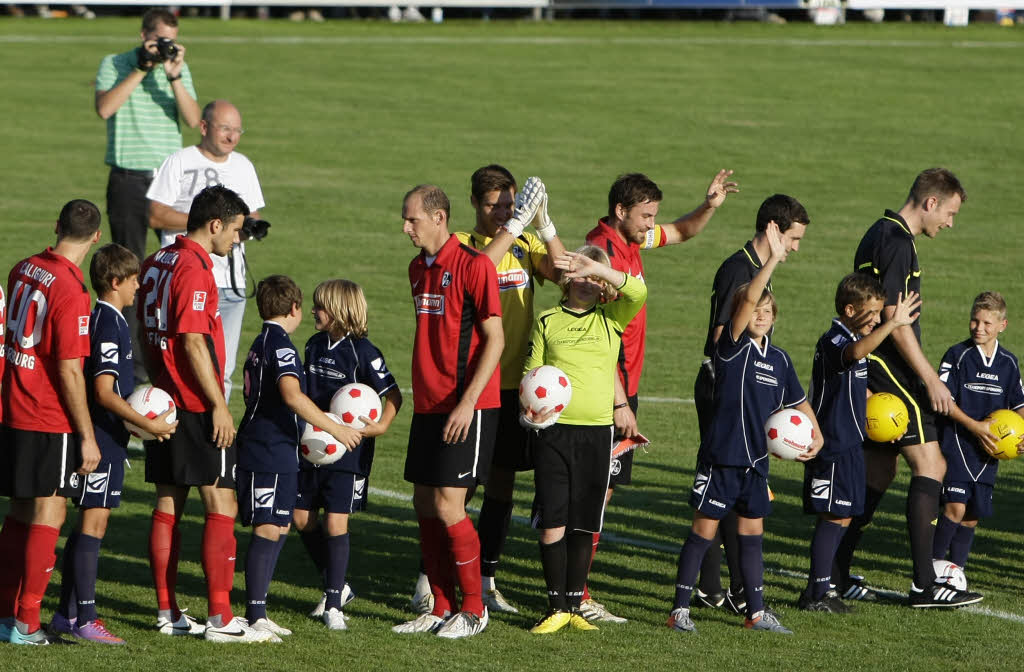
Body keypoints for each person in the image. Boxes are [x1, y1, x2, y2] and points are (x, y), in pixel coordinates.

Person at [582, 170, 738, 622]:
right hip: (608, 388)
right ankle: (578, 592)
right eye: (646, 215)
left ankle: (577, 587)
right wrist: (618, 402)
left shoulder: (631, 241)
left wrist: (709, 205)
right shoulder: (601, 250)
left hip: (625, 384)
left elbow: (683, 231)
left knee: (603, 491)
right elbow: (593, 331)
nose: (653, 223)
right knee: (596, 494)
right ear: (620, 211)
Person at [667, 222, 822, 636]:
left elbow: (798, 400)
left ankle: (756, 612)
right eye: (754, 310)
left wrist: (816, 431)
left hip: (756, 462)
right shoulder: (731, 348)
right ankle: (680, 608)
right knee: (704, 532)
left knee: (753, 533)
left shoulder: (781, 360)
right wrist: (772, 260)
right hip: (722, 457)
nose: (760, 315)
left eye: (767, 312)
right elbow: (750, 294)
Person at [836, 167, 982, 608]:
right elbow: (896, 323)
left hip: (879, 362)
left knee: (879, 471)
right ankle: (924, 584)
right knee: (931, 464)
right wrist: (929, 378)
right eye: (950, 213)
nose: (950, 224)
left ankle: (835, 571)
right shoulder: (899, 244)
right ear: (930, 202)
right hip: (893, 367)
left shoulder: (878, 233)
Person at [138, 185, 275, 643]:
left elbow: (146, 330)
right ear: (215, 224)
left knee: (168, 503)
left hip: (165, 400)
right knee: (222, 502)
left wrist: (158, 383)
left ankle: (167, 612)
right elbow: (194, 341)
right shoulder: (196, 270)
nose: (238, 240)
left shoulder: (156, 262)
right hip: (196, 402)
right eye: (236, 231)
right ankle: (220, 618)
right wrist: (218, 404)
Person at [439, 165, 562, 616]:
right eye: (495, 205)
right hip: (475, 384)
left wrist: (545, 226)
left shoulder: (526, 245)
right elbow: (479, 270)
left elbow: (563, 273)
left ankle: (486, 579)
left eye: (511, 204)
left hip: (516, 386)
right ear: (475, 204)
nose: (505, 212)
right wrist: (514, 226)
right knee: (459, 488)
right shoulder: (462, 245)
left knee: (503, 485)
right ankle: (430, 579)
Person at [50, 244, 177, 644]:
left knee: (90, 522)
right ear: (116, 282)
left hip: (110, 437)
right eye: (135, 280)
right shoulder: (108, 322)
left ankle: (65, 614)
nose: (140, 287)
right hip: (102, 437)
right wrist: (149, 426)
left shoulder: (112, 319)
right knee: (94, 522)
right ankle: (86, 619)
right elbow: (104, 391)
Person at [393, 185, 503, 639]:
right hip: (429, 405)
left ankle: (474, 610)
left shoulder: (474, 266)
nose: (405, 228)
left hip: (467, 406)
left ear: (439, 218)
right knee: (424, 503)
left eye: (412, 219)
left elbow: (495, 340)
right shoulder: (417, 269)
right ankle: (440, 606)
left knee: (448, 504)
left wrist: (467, 403)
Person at [692, 193, 809, 613]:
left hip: (743, 392)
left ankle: (723, 586)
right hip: (721, 391)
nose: (796, 248)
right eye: (793, 238)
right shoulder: (738, 270)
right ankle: (723, 588)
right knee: (722, 487)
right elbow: (726, 337)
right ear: (774, 231)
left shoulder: (756, 270)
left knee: (733, 488)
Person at [523, 246, 647, 634]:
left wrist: (598, 268)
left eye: (595, 278)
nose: (588, 284)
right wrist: (529, 411)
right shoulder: (547, 320)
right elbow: (532, 371)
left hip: (597, 433)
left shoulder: (612, 318)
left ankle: (575, 606)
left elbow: (639, 294)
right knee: (552, 524)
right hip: (553, 433)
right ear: (566, 278)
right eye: (581, 274)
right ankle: (555, 606)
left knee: (584, 523)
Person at [235, 275, 364, 637]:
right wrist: (336, 429)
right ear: (293, 308)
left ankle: (259, 613)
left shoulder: (262, 342)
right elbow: (291, 394)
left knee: (278, 525)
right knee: (267, 527)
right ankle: (254, 616)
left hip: (272, 448)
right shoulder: (284, 347)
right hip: (268, 448)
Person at [0, 200, 103, 645]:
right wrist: (86, 435)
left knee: (20, 511)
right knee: (52, 509)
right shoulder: (71, 291)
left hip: (12, 406)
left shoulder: (24, 268)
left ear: (56, 225)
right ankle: (27, 621)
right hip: (46, 415)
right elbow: (68, 369)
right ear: (96, 237)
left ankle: (6, 614)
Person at [799, 274, 920, 613]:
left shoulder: (856, 339)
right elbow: (853, 354)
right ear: (850, 310)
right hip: (832, 446)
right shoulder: (836, 340)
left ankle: (820, 589)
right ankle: (818, 593)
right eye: (873, 313)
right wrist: (893, 324)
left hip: (852, 445)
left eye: (882, 313)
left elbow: (860, 393)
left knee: (844, 517)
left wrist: (888, 422)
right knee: (832, 517)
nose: (878, 320)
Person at [95, 8, 199, 383]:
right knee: (128, 274)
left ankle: (173, 362)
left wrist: (173, 76)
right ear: (143, 36)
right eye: (159, 40)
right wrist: (141, 67)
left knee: (178, 271)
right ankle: (133, 369)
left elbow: (192, 119)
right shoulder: (115, 64)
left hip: (171, 179)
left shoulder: (175, 69)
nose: (164, 46)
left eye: (171, 38)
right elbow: (105, 108)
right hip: (128, 177)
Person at [294, 278, 402, 630]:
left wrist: (381, 427)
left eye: (320, 306)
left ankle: (334, 605)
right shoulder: (313, 345)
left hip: (350, 452)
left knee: (335, 522)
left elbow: (394, 395)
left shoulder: (363, 352)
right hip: (313, 447)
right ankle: (337, 584)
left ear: (340, 312)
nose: (314, 311)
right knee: (300, 517)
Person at [147, 100, 266, 401]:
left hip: (232, 283)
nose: (232, 136)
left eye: (238, 130)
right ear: (203, 127)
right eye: (225, 128)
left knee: (223, 367)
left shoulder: (243, 166)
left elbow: (252, 215)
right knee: (182, 358)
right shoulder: (180, 161)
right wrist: (208, 224)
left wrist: (250, 227)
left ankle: (217, 429)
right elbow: (156, 215)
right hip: (188, 275)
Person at [932, 291, 1024, 584]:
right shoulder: (957, 356)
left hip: (990, 452)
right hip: (958, 444)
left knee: (972, 514)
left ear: (1002, 325)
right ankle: (932, 566)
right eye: (974, 320)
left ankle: (955, 572)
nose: (978, 328)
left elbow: (1019, 405)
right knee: (955, 507)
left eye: (986, 322)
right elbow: (943, 401)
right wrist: (974, 426)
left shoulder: (1009, 363)